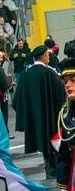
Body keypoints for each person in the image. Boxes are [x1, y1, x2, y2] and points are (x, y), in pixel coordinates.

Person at [13, 45, 66, 179]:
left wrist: (26, 114)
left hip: (33, 117)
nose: (49, 58)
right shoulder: (49, 73)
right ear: (43, 56)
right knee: (52, 140)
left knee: (42, 140)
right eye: (48, 56)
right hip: (50, 115)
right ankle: (53, 169)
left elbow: (16, 99)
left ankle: (49, 168)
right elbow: (60, 95)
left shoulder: (25, 74)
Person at [54, 58, 75, 191]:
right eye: (65, 81)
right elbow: (63, 154)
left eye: (73, 80)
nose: (67, 85)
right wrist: (63, 187)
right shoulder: (65, 114)